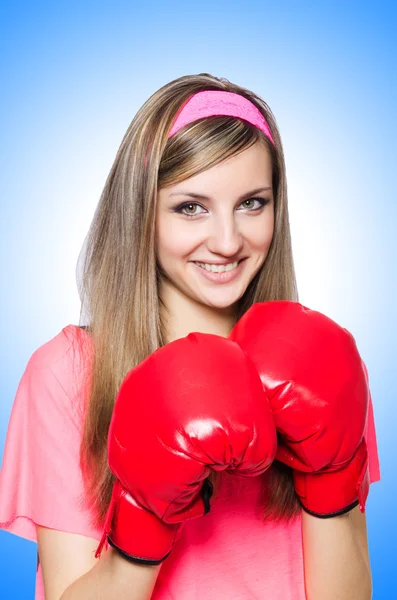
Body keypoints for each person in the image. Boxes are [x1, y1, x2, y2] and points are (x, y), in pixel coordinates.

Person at [0, 73, 380, 599]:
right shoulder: (69, 372)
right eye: (191, 207)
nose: (227, 241)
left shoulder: (325, 365)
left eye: (253, 203)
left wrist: (330, 483)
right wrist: (141, 524)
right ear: (142, 214)